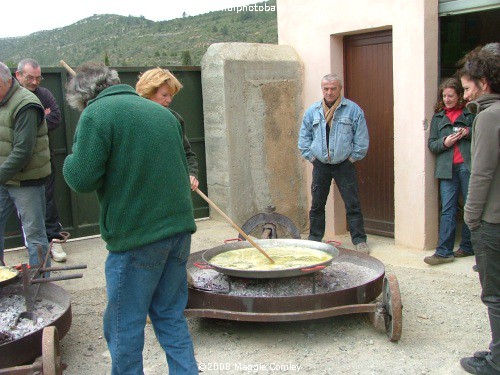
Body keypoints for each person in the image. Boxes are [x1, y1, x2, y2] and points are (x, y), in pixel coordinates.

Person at [62, 62, 198, 375]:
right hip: (179, 232)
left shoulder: (96, 114)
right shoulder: (164, 114)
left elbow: (81, 178)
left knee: (124, 325)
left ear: (83, 99)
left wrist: (71, 158)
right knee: (169, 316)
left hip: (138, 238)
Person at [457, 43, 500, 375]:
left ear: (484, 81)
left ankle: (497, 361)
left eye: (468, 85)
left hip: (492, 221)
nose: (464, 93)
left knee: (495, 295)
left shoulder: (489, 117)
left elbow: (482, 173)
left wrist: (470, 218)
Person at [298, 74, 370, 253]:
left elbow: (361, 139)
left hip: (344, 164)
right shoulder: (313, 111)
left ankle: (359, 240)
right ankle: (315, 239)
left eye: (333, 88)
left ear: (340, 89)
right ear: (322, 89)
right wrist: (312, 158)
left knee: (352, 203)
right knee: (317, 204)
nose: (329, 92)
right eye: (326, 88)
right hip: (321, 164)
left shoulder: (353, 110)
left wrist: (352, 158)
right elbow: (303, 138)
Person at [15, 58, 67, 262]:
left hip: (44, 161)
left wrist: (28, 123)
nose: (35, 82)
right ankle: (35, 249)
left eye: (38, 78)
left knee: (48, 202)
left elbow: (55, 118)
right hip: (15, 165)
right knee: (24, 209)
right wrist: (38, 118)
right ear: (18, 75)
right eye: (30, 77)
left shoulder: (44, 94)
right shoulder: (9, 97)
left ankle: (53, 241)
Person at [0, 61, 51, 268]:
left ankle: (42, 290)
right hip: (4, 177)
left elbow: (22, 151)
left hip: (27, 181)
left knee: (35, 236)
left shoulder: (26, 104)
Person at [424, 77, 475, 265]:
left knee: (471, 207)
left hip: (467, 167)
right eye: (444, 96)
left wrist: (467, 132)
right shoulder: (438, 117)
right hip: (447, 170)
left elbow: (481, 133)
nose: (446, 99)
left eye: (450, 95)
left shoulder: (470, 112)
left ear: (459, 95)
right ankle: (444, 251)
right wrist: (445, 143)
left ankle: (468, 247)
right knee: (448, 209)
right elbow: (432, 144)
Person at [135, 67, 199, 190]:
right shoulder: (131, 119)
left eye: (171, 95)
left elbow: (187, 155)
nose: (169, 100)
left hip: (171, 191)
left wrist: (192, 174)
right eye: (164, 95)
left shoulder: (175, 119)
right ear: (148, 92)